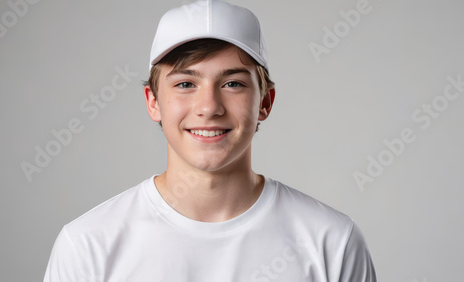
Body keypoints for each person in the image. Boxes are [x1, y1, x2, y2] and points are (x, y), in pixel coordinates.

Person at [44, 0, 377, 281]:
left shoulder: (332, 242)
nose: (209, 107)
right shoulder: (87, 245)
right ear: (153, 102)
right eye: (186, 84)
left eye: (232, 83)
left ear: (265, 103)